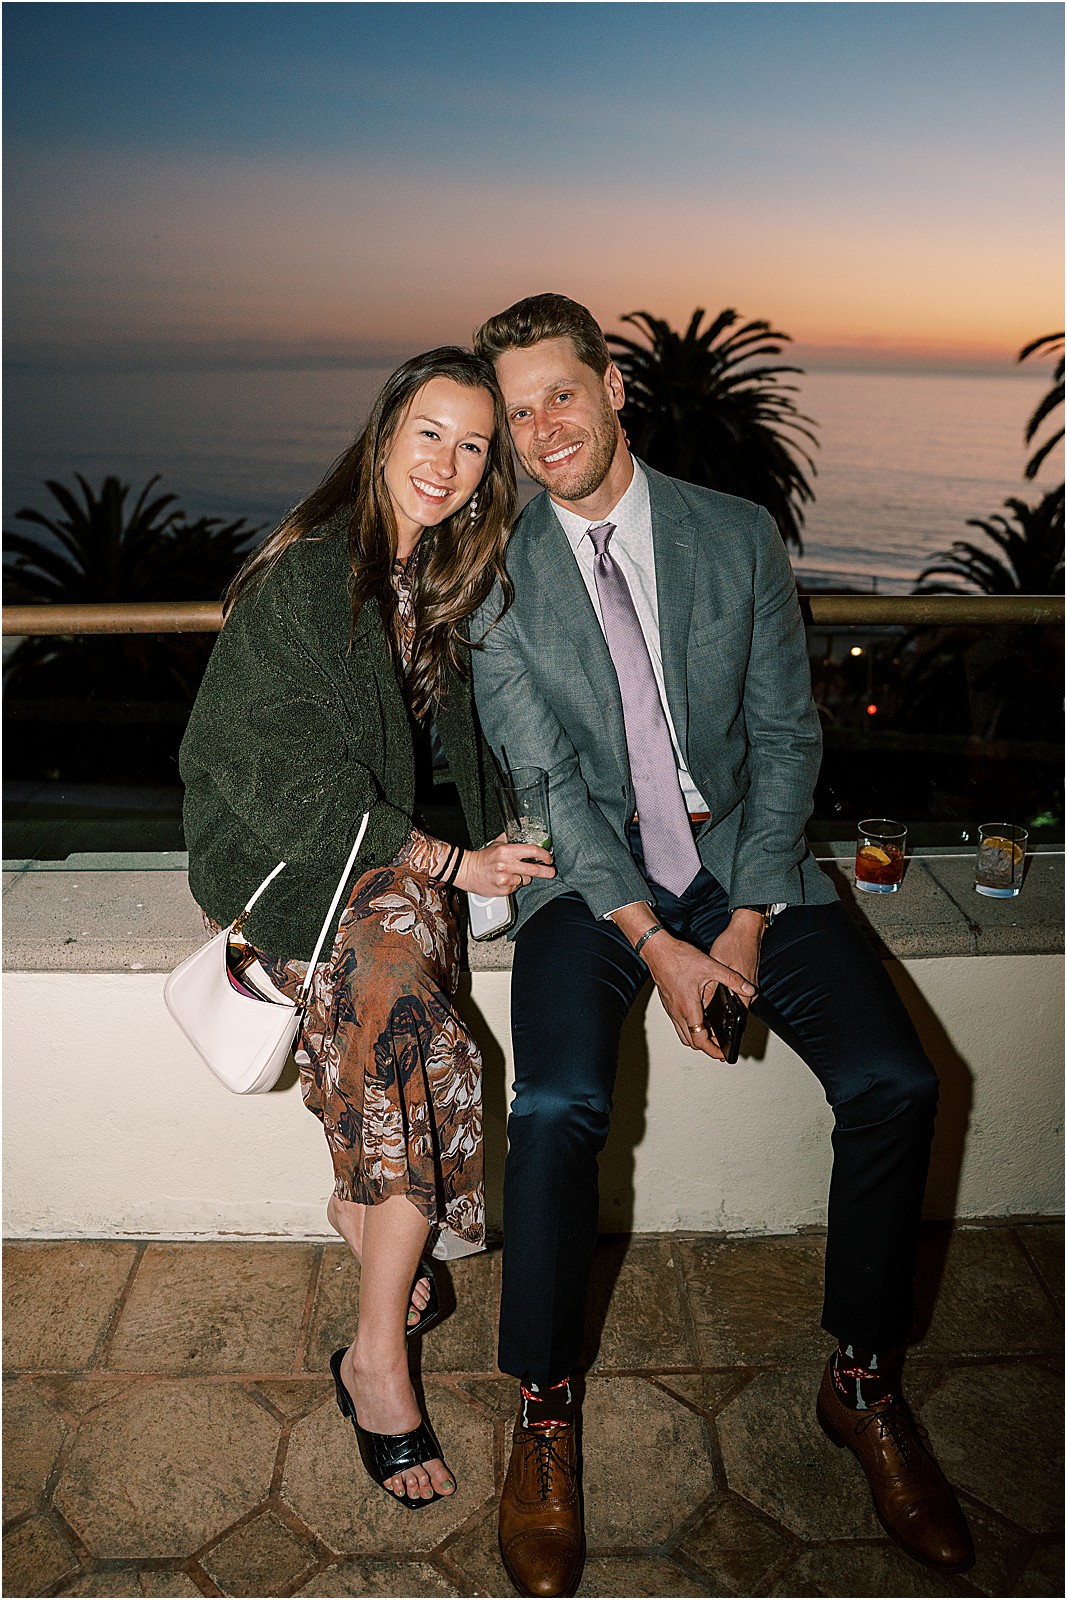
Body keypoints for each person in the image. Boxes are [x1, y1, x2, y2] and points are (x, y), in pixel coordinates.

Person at [468, 294, 974, 1595]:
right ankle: (541, 1407)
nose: (540, 430)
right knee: (557, 1106)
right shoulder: (497, 576)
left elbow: (786, 732)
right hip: (590, 882)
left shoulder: (733, 532)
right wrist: (657, 942)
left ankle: (860, 1380)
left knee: (896, 1082)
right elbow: (549, 786)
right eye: (516, 414)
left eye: (558, 394)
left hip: (742, 859)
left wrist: (742, 919)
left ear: (611, 387)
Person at [179, 347, 554, 1511]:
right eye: (429, 431)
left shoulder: (444, 577)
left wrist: (512, 835)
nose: (448, 461)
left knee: (399, 1024)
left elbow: (484, 737)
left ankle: (364, 1212)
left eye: (474, 444)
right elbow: (279, 779)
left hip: (390, 878)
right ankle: (376, 1360)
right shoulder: (308, 577)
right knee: (411, 1030)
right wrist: (455, 861)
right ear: (386, 432)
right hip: (299, 874)